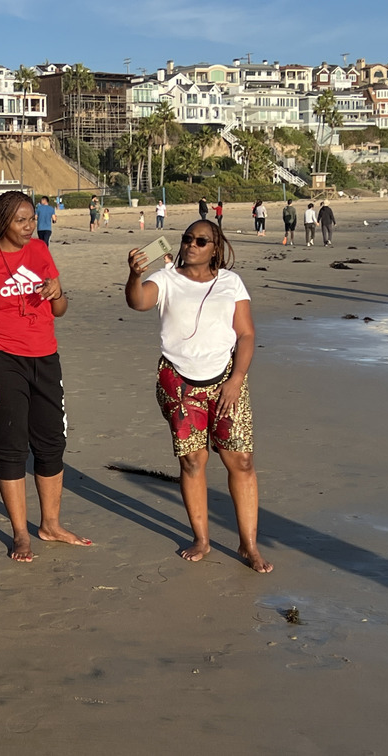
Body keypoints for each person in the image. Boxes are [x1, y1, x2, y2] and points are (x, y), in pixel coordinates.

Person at [125, 219, 273, 573]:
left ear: (215, 248)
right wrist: (134, 275)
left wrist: (237, 379)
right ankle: (201, 539)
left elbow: (246, 335)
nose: (192, 245)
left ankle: (249, 545)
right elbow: (138, 301)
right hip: (178, 381)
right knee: (192, 461)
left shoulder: (231, 282)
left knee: (241, 461)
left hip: (227, 380)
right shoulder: (166, 279)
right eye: (187, 239)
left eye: (201, 241)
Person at [0, 191, 91, 562]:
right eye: (21, 220)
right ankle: (20, 534)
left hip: (45, 357)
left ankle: (51, 524)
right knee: (11, 445)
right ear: (3, 221)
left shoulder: (40, 251)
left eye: (32, 219)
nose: (29, 226)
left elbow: (60, 309)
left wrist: (57, 293)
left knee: (51, 442)